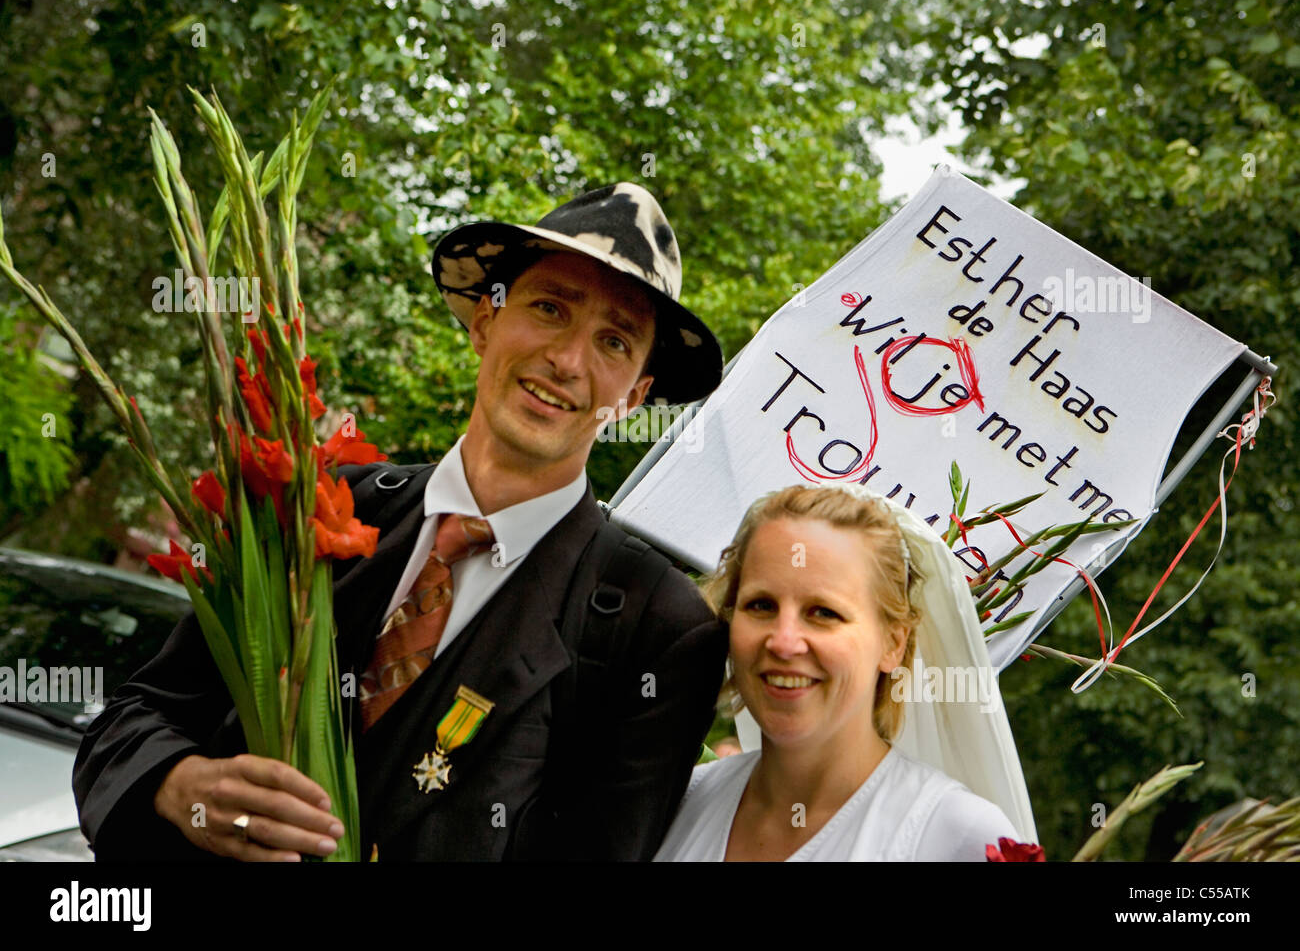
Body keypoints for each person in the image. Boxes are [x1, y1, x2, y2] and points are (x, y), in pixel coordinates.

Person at [73, 182, 730, 861]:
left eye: (615, 341)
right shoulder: (321, 507)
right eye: (549, 307)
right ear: (483, 320)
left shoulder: (656, 630)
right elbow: (134, 718)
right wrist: (180, 787)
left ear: (635, 396)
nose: (567, 361)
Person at [654, 484, 1038, 861]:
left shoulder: (953, 836)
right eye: (761, 605)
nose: (783, 642)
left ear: (893, 643)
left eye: (823, 612)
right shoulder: (678, 802)